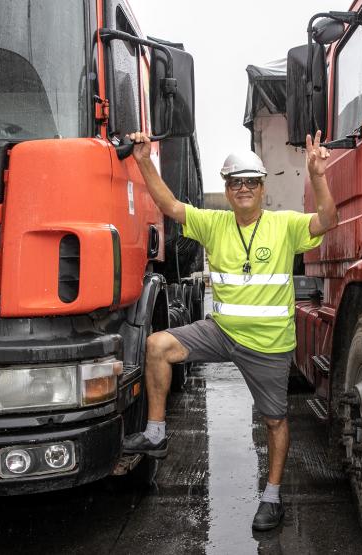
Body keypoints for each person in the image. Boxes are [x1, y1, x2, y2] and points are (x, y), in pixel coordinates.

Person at [122, 130, 337, 531]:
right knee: (157, 345)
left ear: (261, 187)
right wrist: (144, 159)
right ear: (227, 187)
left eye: (250, 182)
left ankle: (272, 498)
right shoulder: (214, 223)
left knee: (274, 421)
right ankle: (155, 433)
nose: (243, 188)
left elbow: (327, 220)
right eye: (235, 182)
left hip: (269, 346)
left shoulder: (285, 225)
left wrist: (318, 175)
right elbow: (169, 204)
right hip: (221, 332)